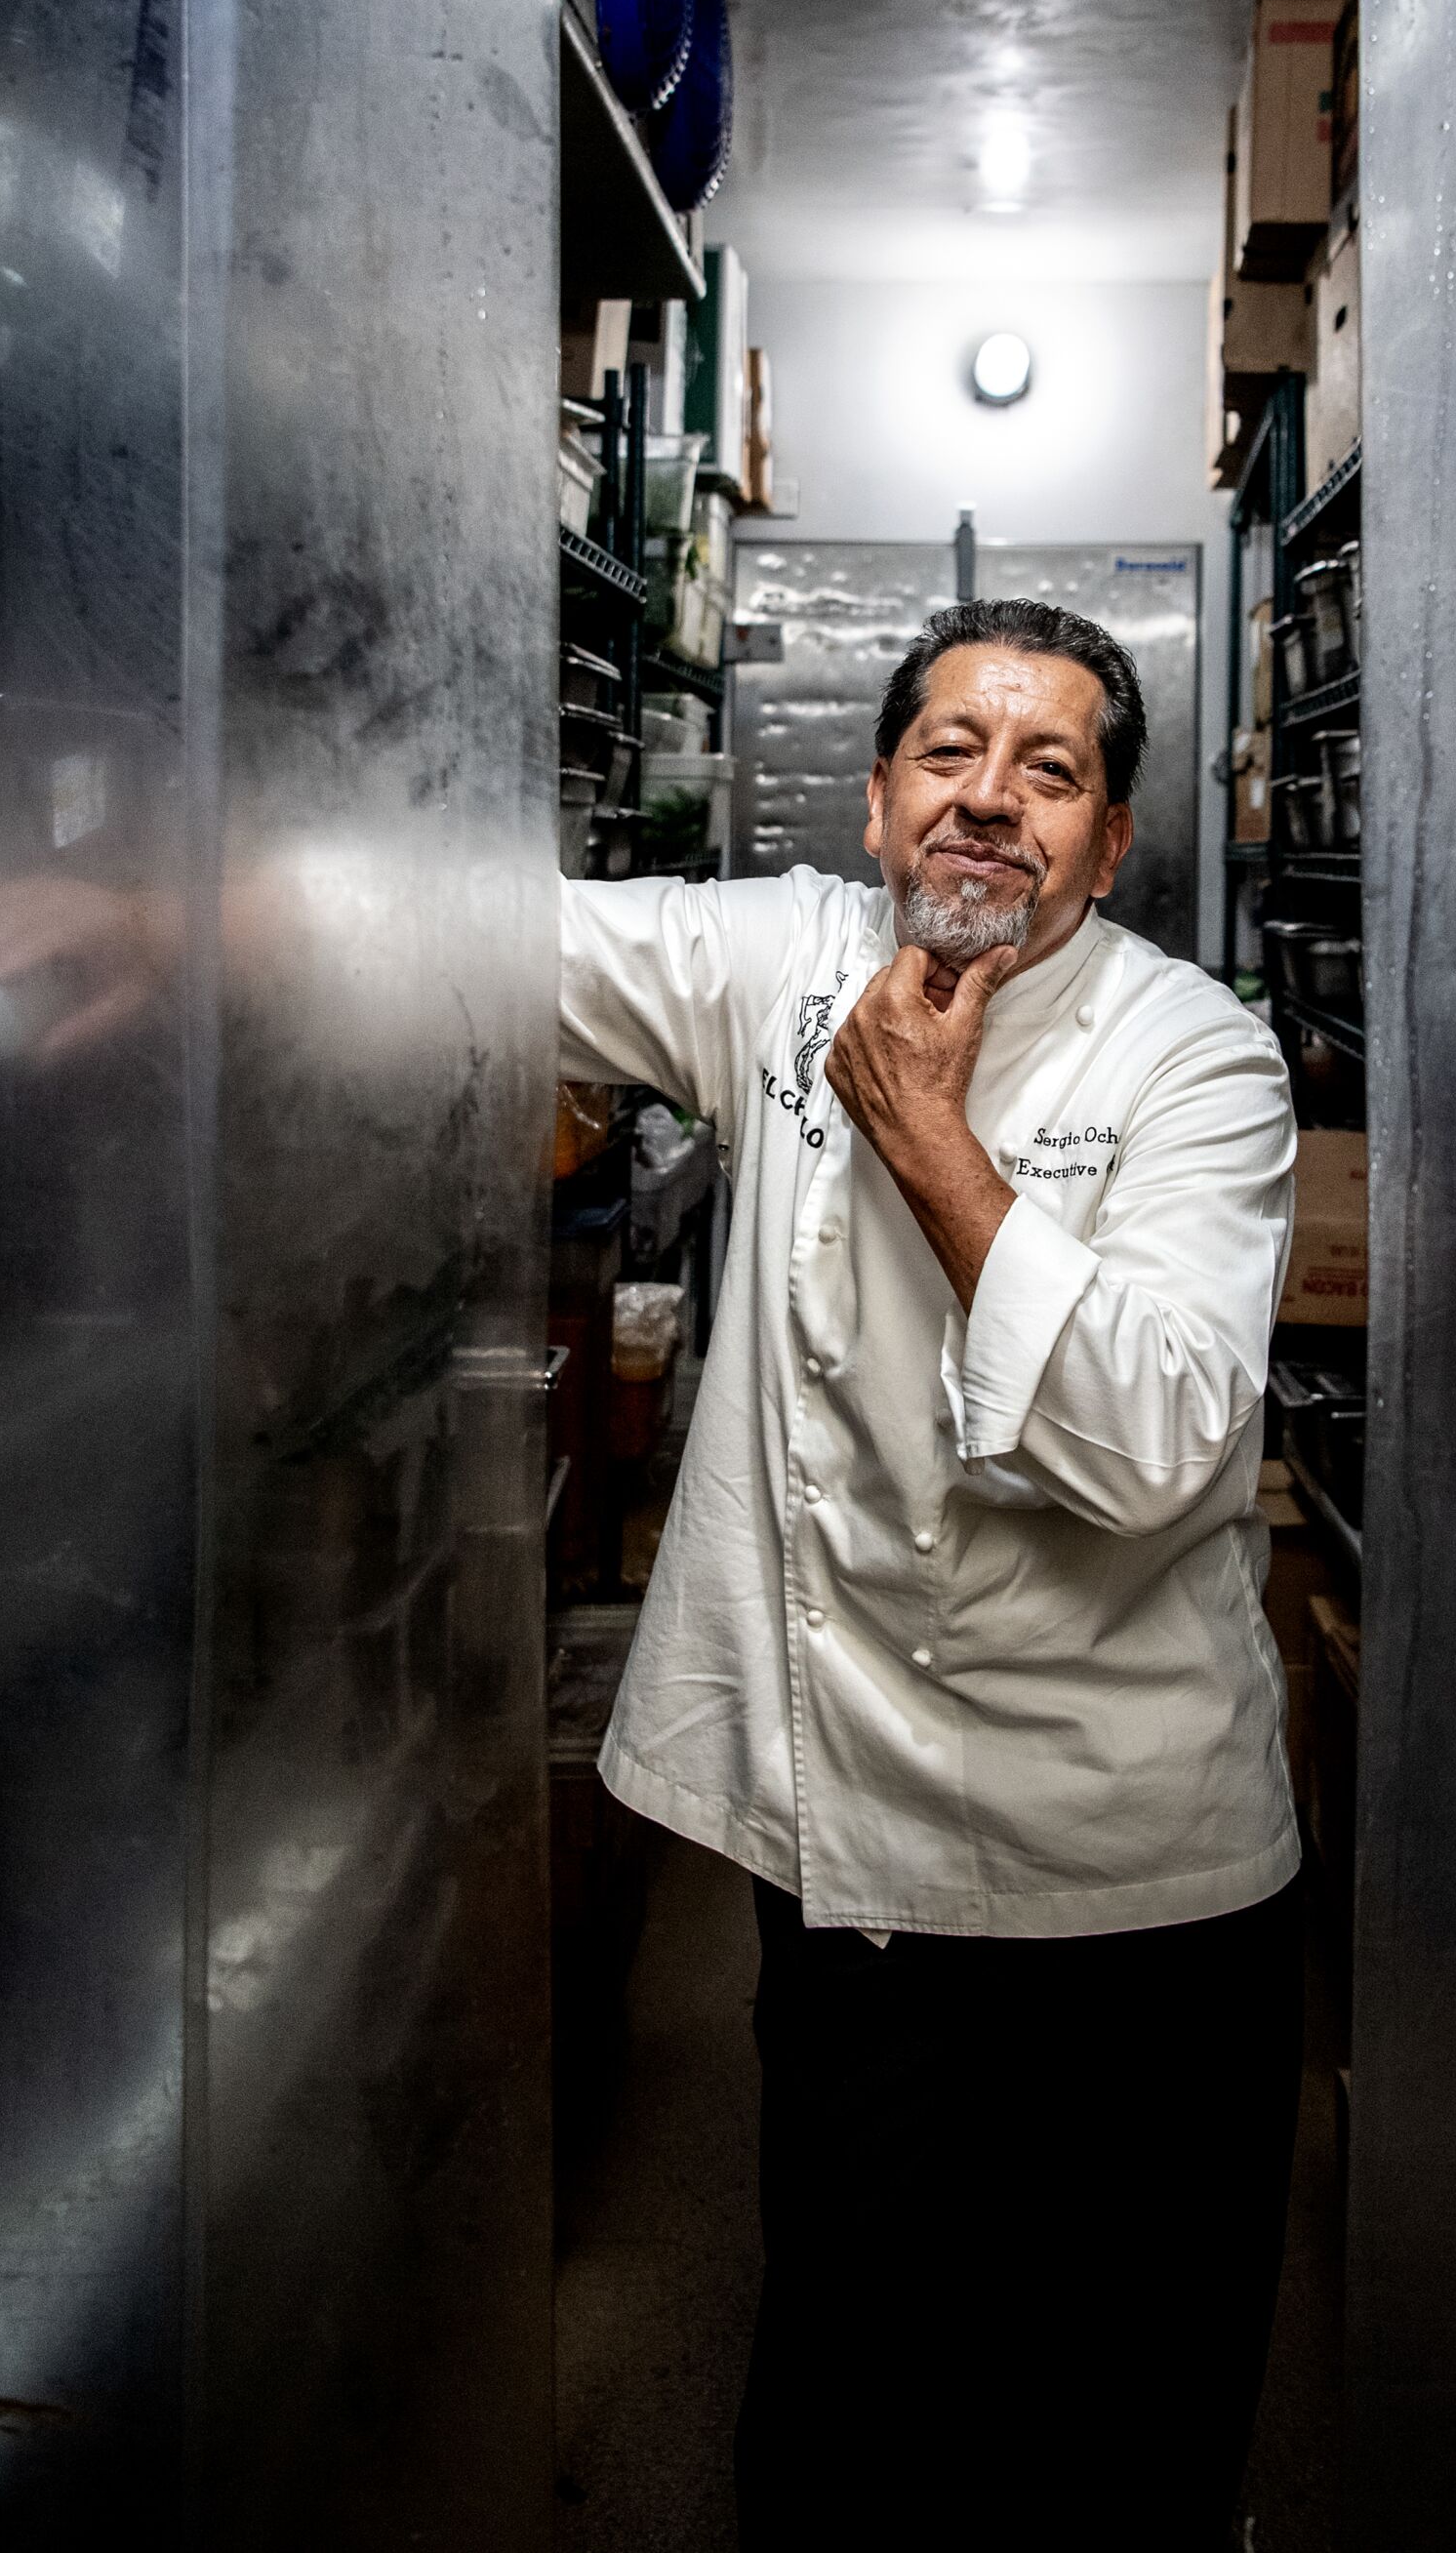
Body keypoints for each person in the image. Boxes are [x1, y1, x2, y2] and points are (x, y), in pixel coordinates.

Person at [562, 599, 1303, 2552]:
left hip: (1145, 1872)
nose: (992, 802)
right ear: (878, 803)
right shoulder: (781, 963)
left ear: (1107, 843)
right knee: (851, 2409)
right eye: (951, 758)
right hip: (869, 1861)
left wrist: (934, 1153)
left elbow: (1160, 1449)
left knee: (1126, 2418)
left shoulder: (1197, 1058)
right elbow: (472, 943)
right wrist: (158, 895)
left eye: (1049, 771)